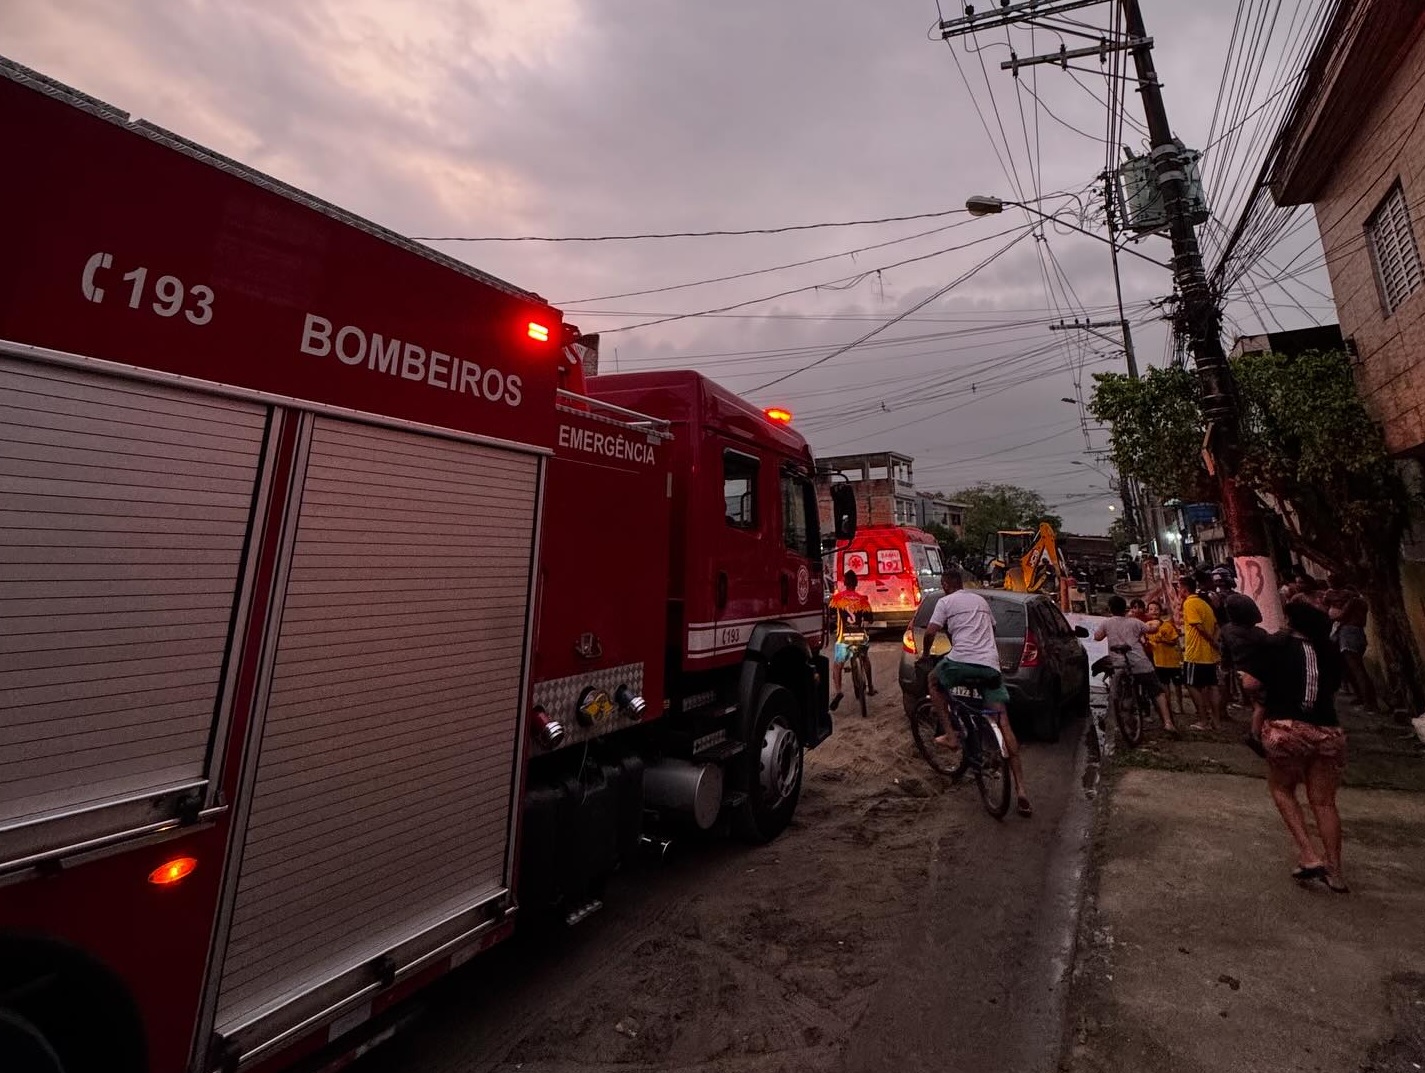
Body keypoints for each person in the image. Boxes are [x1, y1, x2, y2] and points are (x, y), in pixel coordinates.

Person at [1243, 602, 1350, 893]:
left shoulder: (1276, 645)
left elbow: (1251, 683)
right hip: (1328, 731)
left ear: (1290, 621)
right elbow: (1333, 688)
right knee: (1325, 802)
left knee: (1282, 789)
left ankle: (1308, 853)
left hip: (1287, 729)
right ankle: (1336, 872)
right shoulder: (1330, 650)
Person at [920, 568, 1033, 817]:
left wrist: (926, 655)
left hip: (961, 662)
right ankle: (1022, 791)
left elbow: (930, 632)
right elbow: (991, 632)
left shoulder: (945, 602)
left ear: (946, 584)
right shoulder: (980, 600)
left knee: (934, 681)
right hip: (990, 666)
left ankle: (951, 734)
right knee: (1003, 720)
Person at [1095, 595, 1178, 735]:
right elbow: (1151, 630)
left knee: (1121, 695)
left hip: (1119, 664)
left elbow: (1097, 637)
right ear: (1125, 609)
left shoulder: (1107, 623)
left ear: (1110, 609)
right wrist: (1156, 622)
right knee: (1158, 692)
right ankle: (1168, 722)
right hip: (1140, 662)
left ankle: (1124, 726)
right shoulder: (1134, 622)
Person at [1325, 573, 1378, 713]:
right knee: (1356, 669)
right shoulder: (1361, 602)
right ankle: (1365, 699)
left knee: (1357, 670)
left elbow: (1341, 616)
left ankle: (1370, 704)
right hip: (1358, 633)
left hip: (1349, 633)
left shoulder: (1353, 601)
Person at [1178, 574, 1223, 730]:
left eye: (1179, 588)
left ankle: (1203, 720)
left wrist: (1211, 640)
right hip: (1210, 654)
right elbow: (1217, 626)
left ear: (1184, 590)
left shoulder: (1189, 604)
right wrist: (1215, 642)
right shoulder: (1204, 604)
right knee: (1212, 686)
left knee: (1191, 684)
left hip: (1196, 653)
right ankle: (1216, 721)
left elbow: (1198, 627)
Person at [828, 571, 874, 711]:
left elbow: (830, 616)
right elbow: (869, 620)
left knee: (838, 665)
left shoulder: (837, 599)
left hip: (844, 639)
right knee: (865, 658)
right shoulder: (862, 599)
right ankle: (870, 686)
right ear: (856, 583)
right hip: (860, 637)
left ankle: (839, 691)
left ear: (844, 583)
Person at [1145, 599, 1185, 719]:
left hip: (1172, 661)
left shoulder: (1167, 625)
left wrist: (1163, 640)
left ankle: (1180, 705)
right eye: (1151, 609)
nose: (1154, 611)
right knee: (1164, 685)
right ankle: (1168, 706)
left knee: (1177, 685)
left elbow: (1174, 641)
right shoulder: (1147, 627)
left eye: (1156, 609)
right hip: (1159, 661)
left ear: (1161, 611)